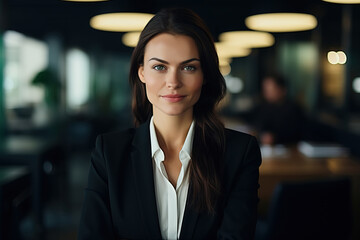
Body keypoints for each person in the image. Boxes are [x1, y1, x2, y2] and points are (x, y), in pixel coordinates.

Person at [78, 8, 261, 240]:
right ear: (142, 72)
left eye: (188, 67)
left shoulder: (239, 153)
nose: (173, 82)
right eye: (159, 67)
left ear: (204, 75)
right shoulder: (109, 152)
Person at [253, 74, 304, 145]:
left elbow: (296, 135)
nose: (266, 93)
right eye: (265, 90)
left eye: (270, 90)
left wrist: (275, 138)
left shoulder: (293, 109)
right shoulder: (265, 107)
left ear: (282, 90)